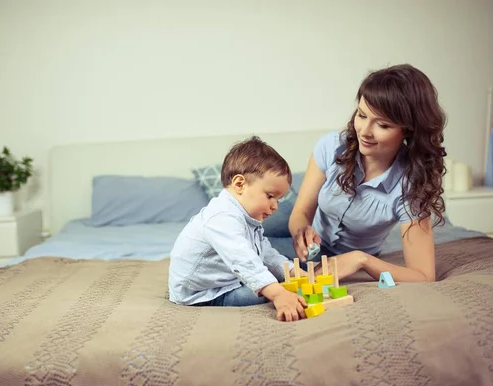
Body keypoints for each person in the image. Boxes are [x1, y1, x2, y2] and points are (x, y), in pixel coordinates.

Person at [289, 64, 446, 283]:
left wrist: (360, 260)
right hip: (307, 232)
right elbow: (300, 213)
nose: (364, 131)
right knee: (259, 213)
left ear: (408, 130)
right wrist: (300, 232)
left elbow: (424, 276)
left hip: (353, 254)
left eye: (382, 125)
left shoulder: (410, 186)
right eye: (362, 115)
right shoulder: (332, 146)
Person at [169, 136, 308, 322]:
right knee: (268, 291)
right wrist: (278, 294)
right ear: (240, 184)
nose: (275, 206)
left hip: (223, 281)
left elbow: (266, 254)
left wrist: (294, 272)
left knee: (285, 281)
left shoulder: (247, 219)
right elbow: (244, 260)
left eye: (278, 199)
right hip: (202, 293)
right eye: (270, 196)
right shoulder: (221, 217)